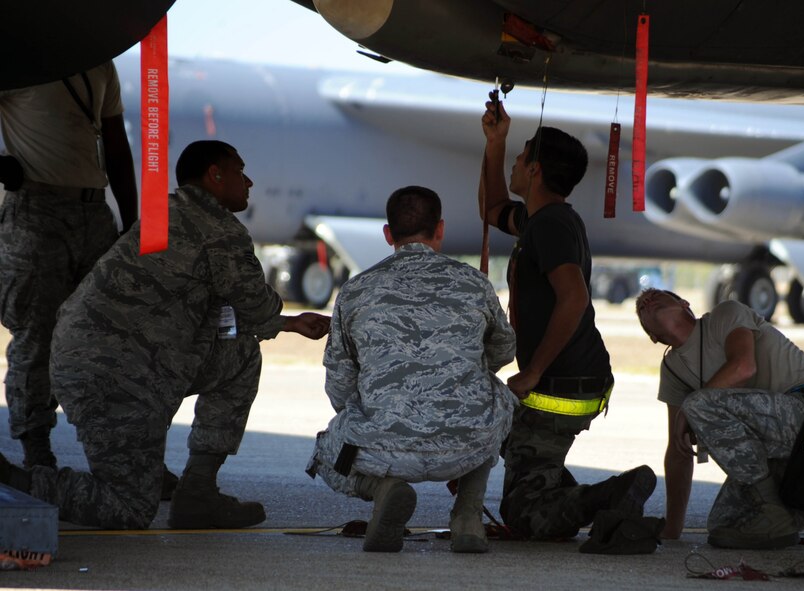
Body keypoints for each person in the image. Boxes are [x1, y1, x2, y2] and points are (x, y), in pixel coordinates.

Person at [0, 140, 330, 530]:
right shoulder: (218, 230)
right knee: (129, 507)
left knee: (240, 353)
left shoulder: (164, 215)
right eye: (240, 171)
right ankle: (17, 481)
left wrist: (285, 323)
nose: (250, 182)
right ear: (215, 175)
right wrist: (285, 320)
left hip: (107, 360)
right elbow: (257, 305)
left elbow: (226, 310)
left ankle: (197, 494)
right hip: (115, 375)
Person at [479, 97, 655, 542]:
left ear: (535, 170)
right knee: (509, 439)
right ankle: (601, 505)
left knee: (523, 516)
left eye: (520, 157)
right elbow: (491, 208)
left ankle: (610, 497)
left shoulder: (550, 225)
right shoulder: (543, 219)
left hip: (562, 386)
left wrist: (534, 370)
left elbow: (573, 298)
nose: (516, 165)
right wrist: (496, 143)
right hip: (575, 380)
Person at [307, 185, 516, 553]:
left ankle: (383, 488)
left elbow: (339, 386)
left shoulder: (356, 291)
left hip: (382, 446)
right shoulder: (474, 283)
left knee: (326, 451)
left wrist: (376, 411)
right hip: (466, 442)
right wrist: (463, 376)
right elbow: (503, 349)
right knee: (497, 396)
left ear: (388, 235)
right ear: (440, 230)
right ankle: (468, 514)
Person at [635, 288, 804, 549]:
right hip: (775, 441)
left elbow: (744, 366)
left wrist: (690, 408)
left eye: (656, 295)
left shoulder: (725, 314)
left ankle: (775, 512)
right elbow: (678, 450)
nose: (647, 300)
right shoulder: (673, 371)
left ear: (685, 304)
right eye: (641, 307)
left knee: (698, 404)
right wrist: (672, 528)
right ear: (652, 337)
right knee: (724, 526)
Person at [0, 61, 138, 471]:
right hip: (37, 211)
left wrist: (130, 223)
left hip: (92, 212)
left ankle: (113, 453)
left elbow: (115, 143)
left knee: (101, 336)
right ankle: (35, 448)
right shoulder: (21, 59)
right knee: (36, 334)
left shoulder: (99, 62)